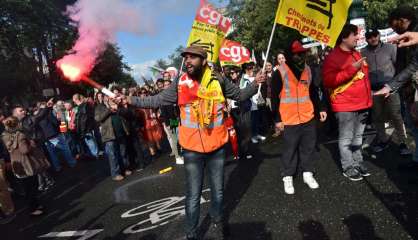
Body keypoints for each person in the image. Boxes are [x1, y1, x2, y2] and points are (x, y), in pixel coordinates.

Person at [127, 45, 265, 240]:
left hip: (217, 147)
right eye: (186, 58)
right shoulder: (180, 82)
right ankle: (191, 233)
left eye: (193, 58)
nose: (188, 61)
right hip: (191, 149)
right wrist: (129, 99)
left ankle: (217, 218)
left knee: (218, 190)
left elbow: (240, 95)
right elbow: (157, 100)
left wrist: (255, 84)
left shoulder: (218, 79)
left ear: (203, 61)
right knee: (193, 195)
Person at [271, 40, 327, 194]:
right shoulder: (280, 72)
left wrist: (320, 108)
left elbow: (314, 92)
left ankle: (307, 173)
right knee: (290, 149)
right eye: (296, 54)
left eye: (302, 53)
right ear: (290, 55)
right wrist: (277, 119)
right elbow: (274, 98)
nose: (299, 56)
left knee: (308, 147)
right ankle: (287, 176)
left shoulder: (308, 70)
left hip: (307, 116)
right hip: (289, 119)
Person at [322, 24, 373, 181]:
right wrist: (352, 69)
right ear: (344, 37)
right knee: (346, 138)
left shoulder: (356, 53)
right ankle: (348, 166)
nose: (358, 37)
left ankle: (357, 162)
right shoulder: (332, 57)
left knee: (358, 137)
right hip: (345, 105)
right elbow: (329, 81)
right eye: (354, 35)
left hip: (362, 103)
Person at [361, 29, 411, 155]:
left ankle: (402, 142)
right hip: (374, 91)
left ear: (378, 35)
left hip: (391, 88)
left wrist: (396, 85)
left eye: (375, 35)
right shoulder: (363, 52)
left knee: (396, 116)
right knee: (377, 118)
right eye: (370, 37)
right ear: (366, 39)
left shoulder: (390, 48)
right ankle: (383, 140)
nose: (373, 38)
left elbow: (399, 67)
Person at [2, 116, 50, 216]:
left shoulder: (4, 136)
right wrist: (32, 143)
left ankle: (35, 206)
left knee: (27, 188)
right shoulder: (20, 135)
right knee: (32, 187)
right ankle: (33, 209)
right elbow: (25, 150)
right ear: (17, 124)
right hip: (26, 164)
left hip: (17, 165)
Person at [95, 95, 132, 181]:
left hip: (120, 132)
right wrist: (109, 110)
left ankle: (125, 169)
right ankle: (116, 173)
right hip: (109, 134)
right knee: (113, 155)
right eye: (102, 96)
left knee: (123, 152)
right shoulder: (99, 107)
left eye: (107, 96)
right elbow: (98, 118)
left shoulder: (115, 103)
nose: (107, 97)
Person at [241, 62, 266, 143]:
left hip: (256, 103)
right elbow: (243, 91)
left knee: (256, 120)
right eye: (250, 68)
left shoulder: (254, 77)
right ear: (246, 70)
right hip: (249, 104)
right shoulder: (244, 79)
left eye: (252, 68)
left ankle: (257, 134)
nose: (252, 70)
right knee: (251, 121)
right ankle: (252, 136)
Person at [159, 79, 183, 164]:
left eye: (169, 84)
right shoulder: (163, 97)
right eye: (165, 85)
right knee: (174, 139)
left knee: (180, 137)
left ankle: (181, 154)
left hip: (177, 118)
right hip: (170, 120)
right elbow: (164, 113)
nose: (167, 86)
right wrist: (168, 124)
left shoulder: (174, 95)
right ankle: (177, 157)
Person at [73, 94, 99, 159]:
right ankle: (94, 154)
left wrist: (83, 130)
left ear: (75, 99)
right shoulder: (82, 106)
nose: (73, 101)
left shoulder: (83, 106)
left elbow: (84, 119)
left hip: (86, 128)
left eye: (73, 99)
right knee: (90, 142)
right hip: (85, 128)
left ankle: (95, 155)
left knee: (90, 142)